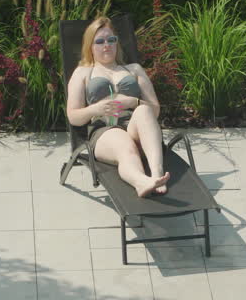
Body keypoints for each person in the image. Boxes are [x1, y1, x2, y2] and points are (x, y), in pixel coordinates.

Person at [66, 16, 171, 198]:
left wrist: (133, 102)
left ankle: (156, 173)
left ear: (117, 43)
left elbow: (155, 109)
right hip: (105, 129)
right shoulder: (83, 72)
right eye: (100, 41)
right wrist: (96, 109)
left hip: (136, 127)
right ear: (90, 46)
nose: (106, 45)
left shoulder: (134, 69)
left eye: (111, 40)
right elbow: (73, 116)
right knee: (125, 145)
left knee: (144, 110)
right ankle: (140, 182)